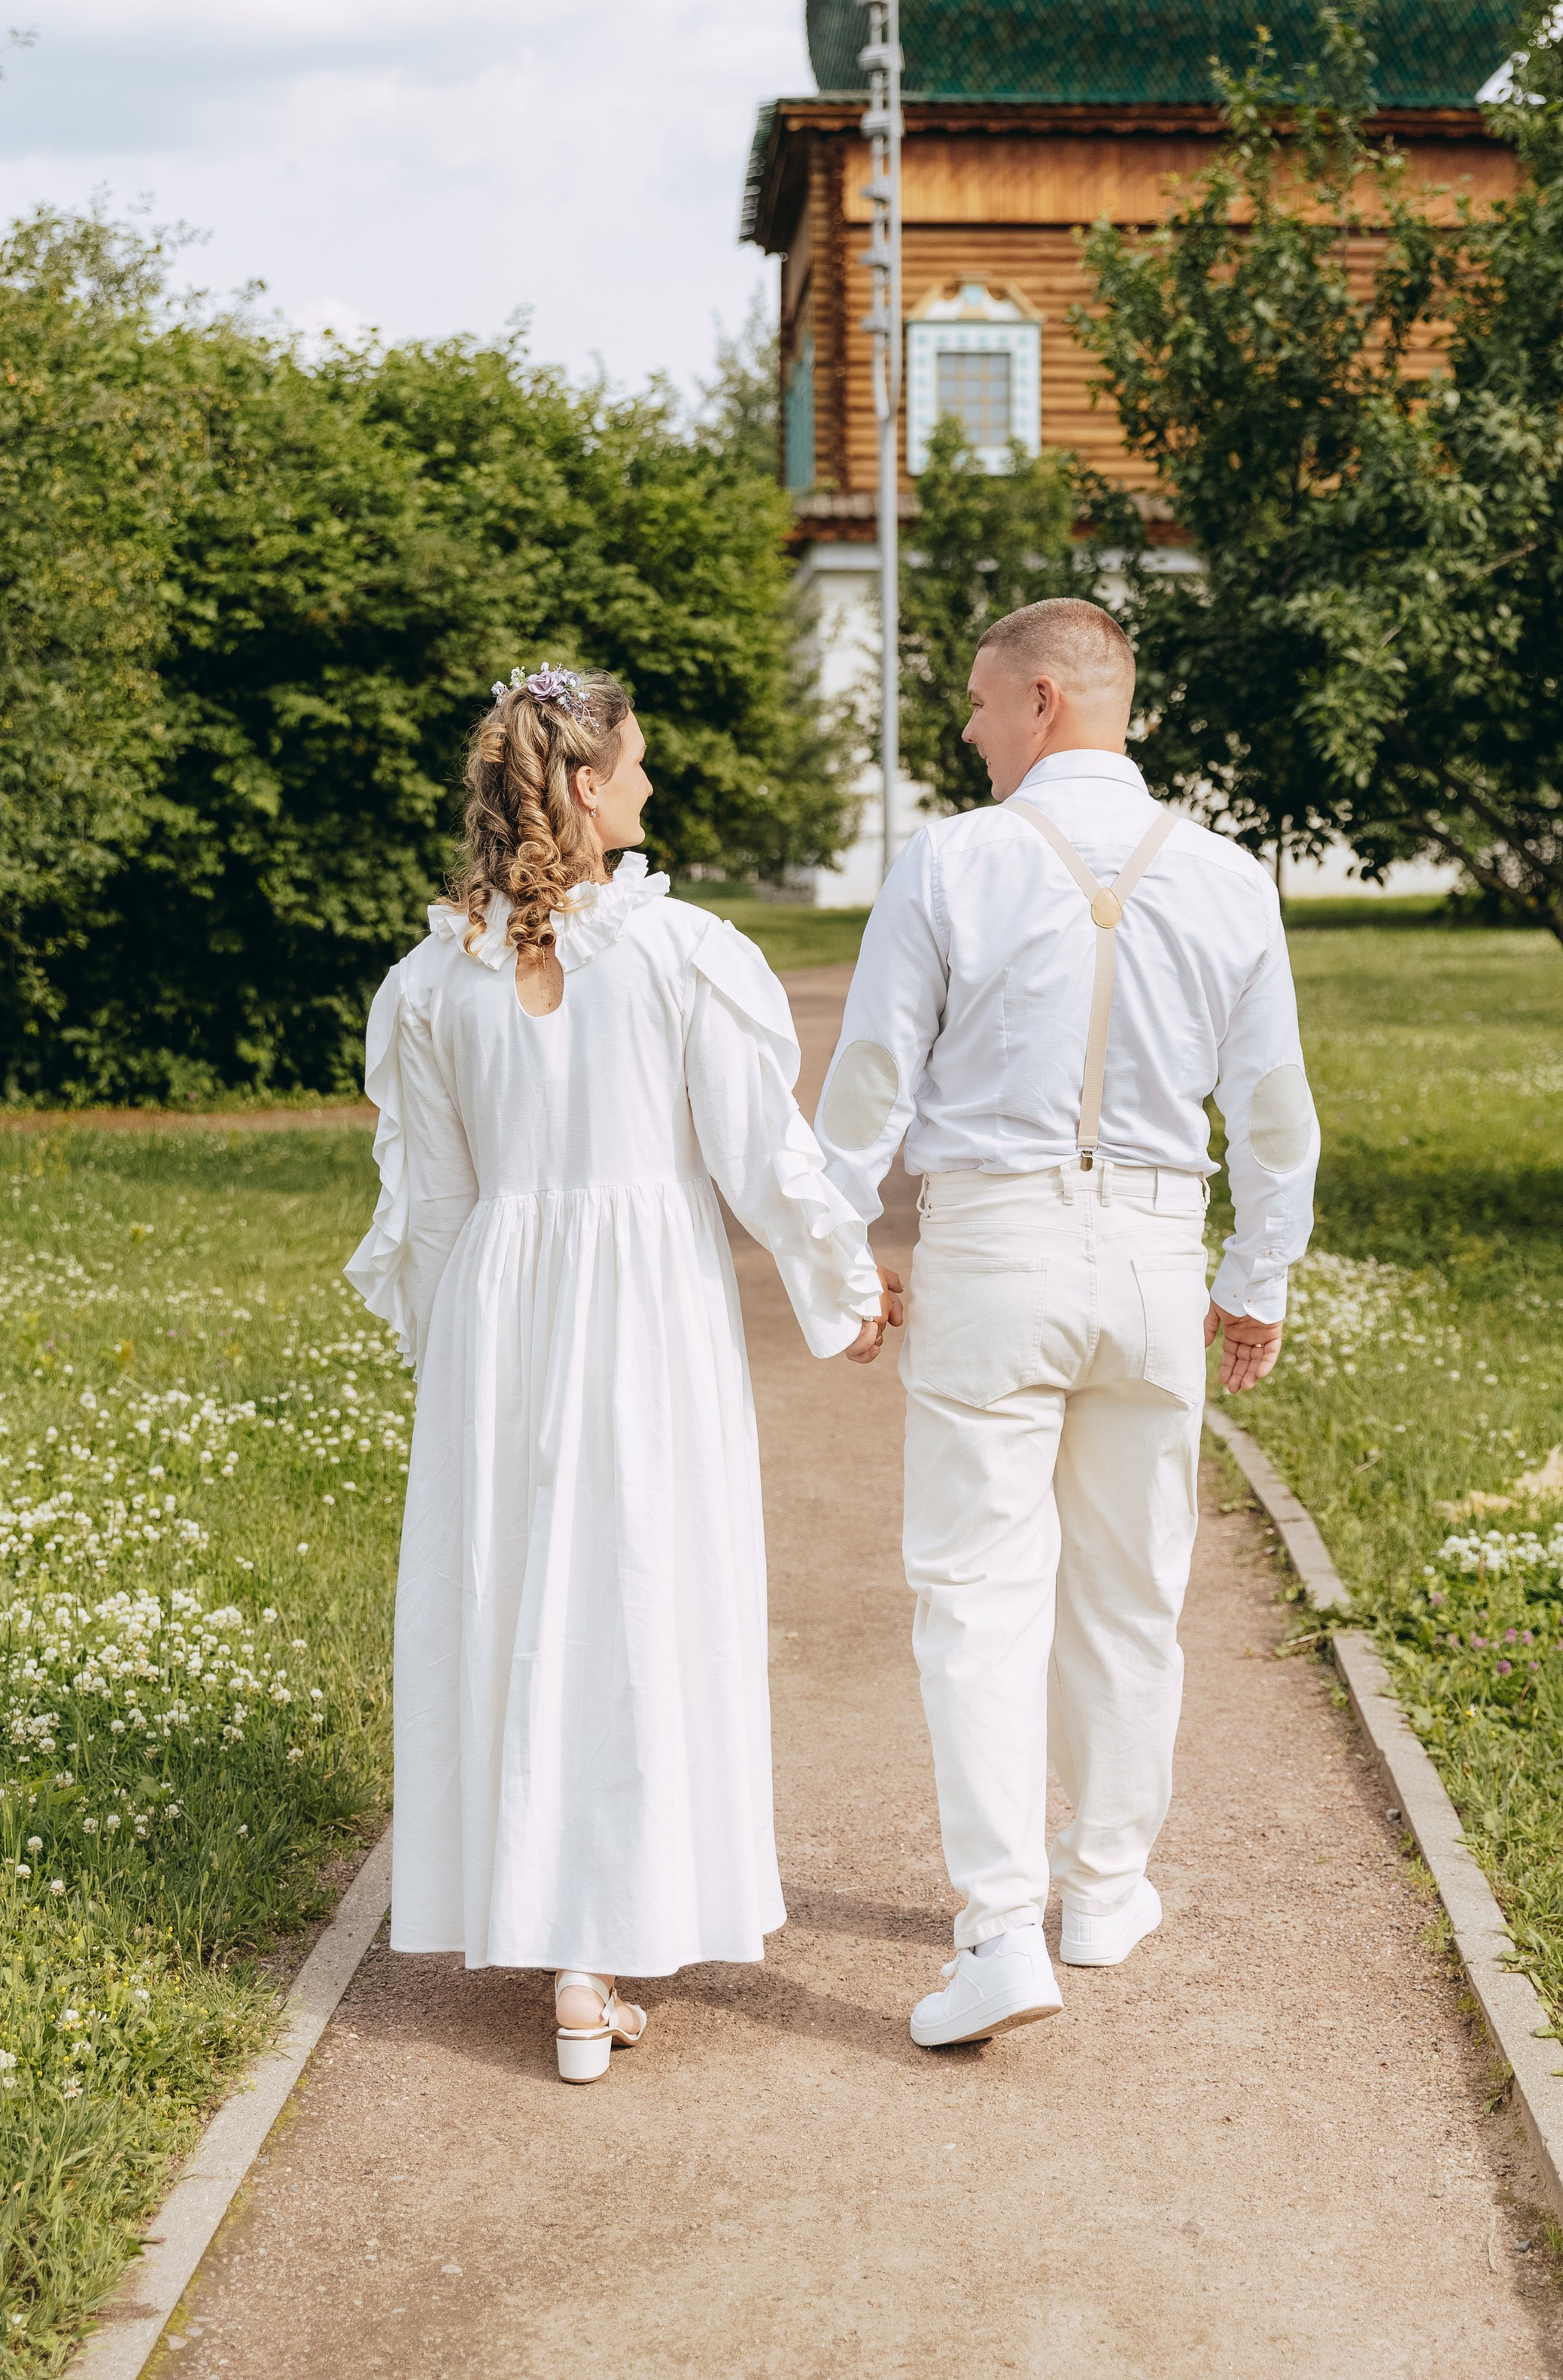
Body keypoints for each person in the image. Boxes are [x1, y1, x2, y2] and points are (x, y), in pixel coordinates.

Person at [346, 662, 896, 2082]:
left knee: (524, 1592)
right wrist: (842, 1285)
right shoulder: (681, 954)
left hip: (502, 1321)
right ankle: (598, 1953)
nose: (651, 783)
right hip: (645, 1314)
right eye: (636, 763)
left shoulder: (428, 985)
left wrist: (453, 1356)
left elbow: (434, 1212)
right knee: (640, 1585)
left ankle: (555, 1934)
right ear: (586, 788)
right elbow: (760, 1156)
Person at [813, 600, 1318, 2050]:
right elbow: (1273, 1113)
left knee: (975, 1591)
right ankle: (1105, 1887)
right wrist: (1257, 1276)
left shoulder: (954, 862)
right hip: (1159, 1257)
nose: (968, 731)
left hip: (994, 1251)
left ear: (1044, 698)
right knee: (1130, 1590)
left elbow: (870, 1079)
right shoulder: (1228, 879)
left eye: (978, 704)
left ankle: (998, 1924)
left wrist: (844, 1253)